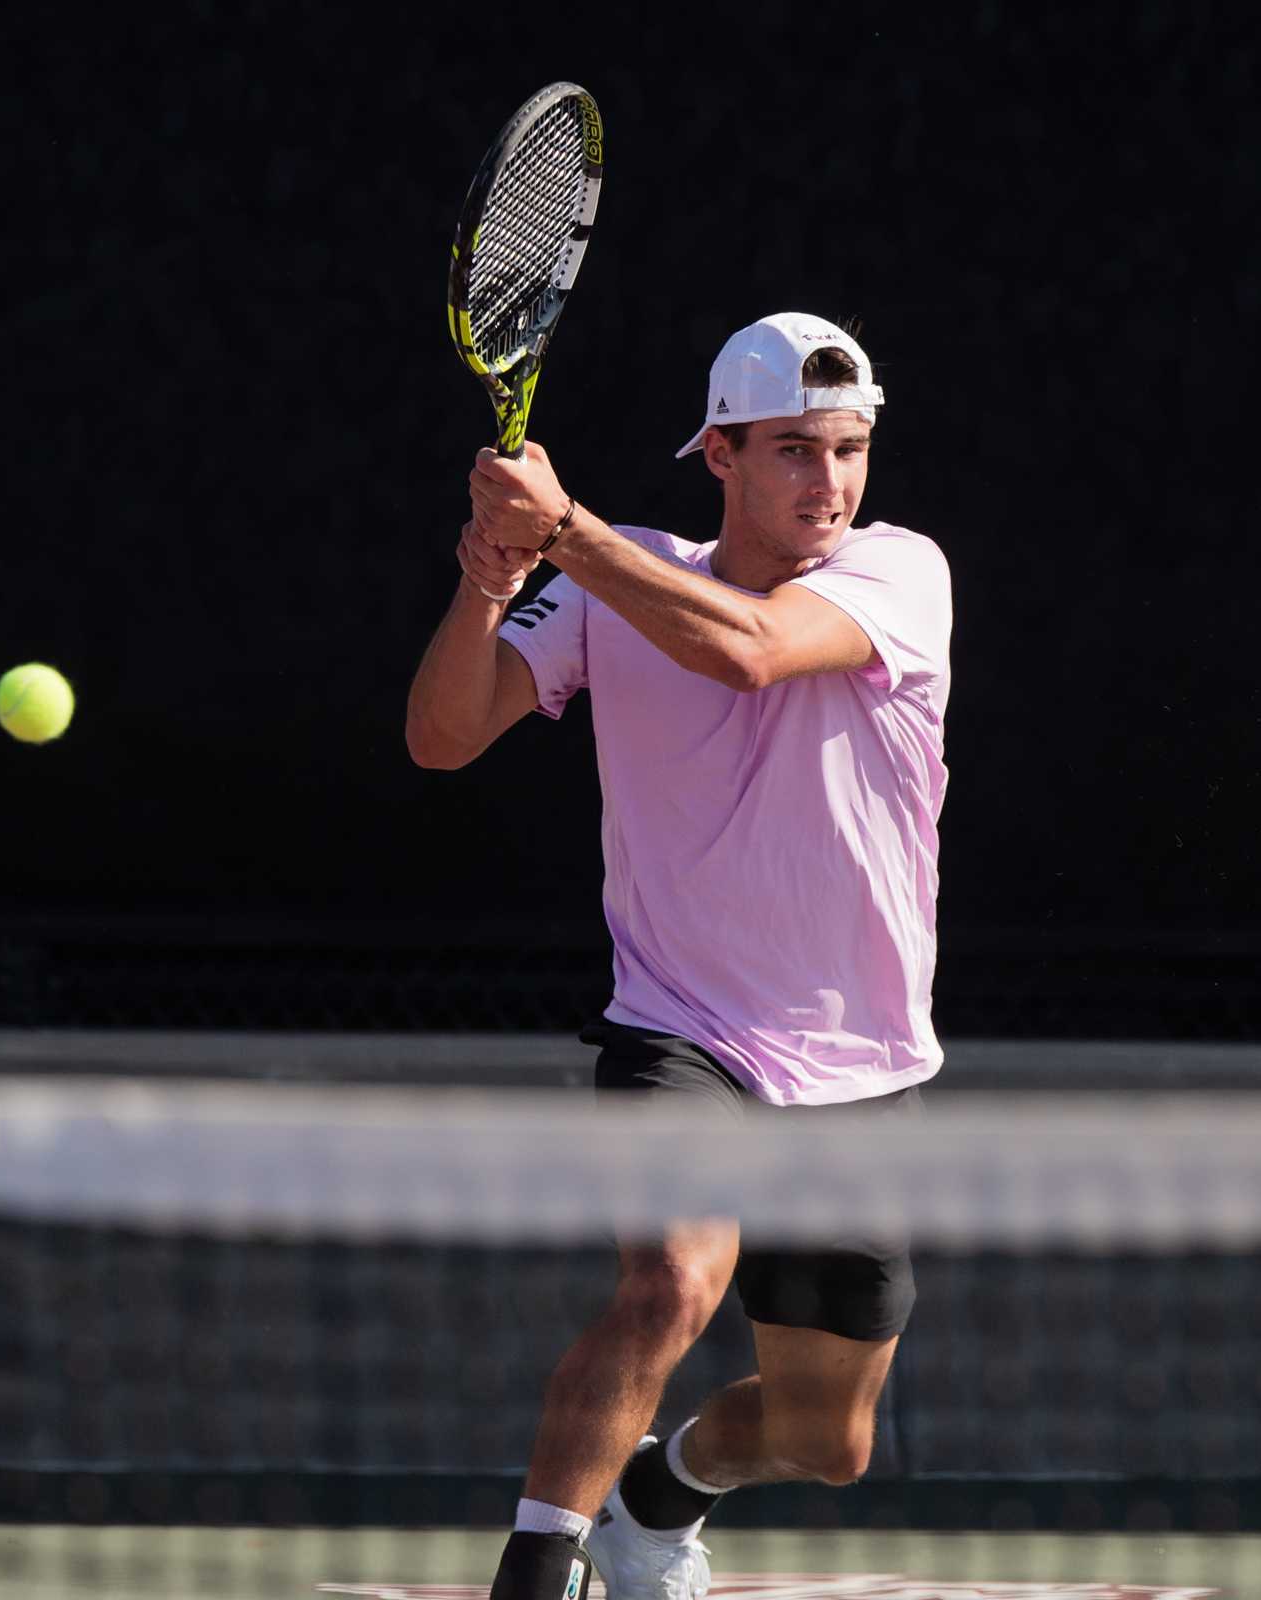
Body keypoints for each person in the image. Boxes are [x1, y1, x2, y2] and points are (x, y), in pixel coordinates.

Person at [404, 312, 952, 1600]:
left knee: (829, 1442)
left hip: (859, 1066)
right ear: (720, 454)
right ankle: (539, 1574)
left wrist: (567, 532)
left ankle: (663, 1492)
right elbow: (443, 737)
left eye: (848, 450)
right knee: (670, 1281)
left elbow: (750, 652)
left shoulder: (901, 574)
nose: (828, 484)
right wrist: (491, 580)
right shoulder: (617, 579)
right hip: (681, 1030)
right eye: (793, 452)